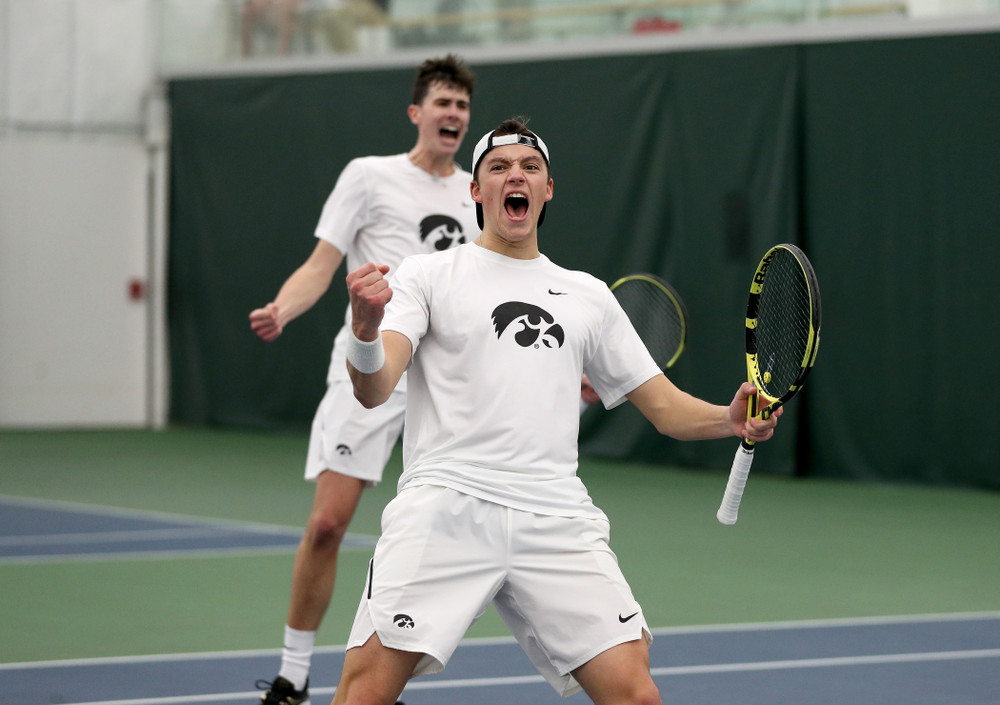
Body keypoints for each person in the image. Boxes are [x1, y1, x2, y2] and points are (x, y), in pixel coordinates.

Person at [335, 118, 782, 705]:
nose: (514, 176)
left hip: (554, 512)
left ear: (548, 189)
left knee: (636, 693)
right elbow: (374, 387)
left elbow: (666, 408)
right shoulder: (427, 275)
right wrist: (365, 331)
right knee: (366, 689)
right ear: (476, 190)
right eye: (498, 168)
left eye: (529, 168)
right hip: (447, 503)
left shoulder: (588, 295)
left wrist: (729, 418)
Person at [248, 54, 478, 705]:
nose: (452, 115)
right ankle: (293, 672)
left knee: (432, 537)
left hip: (448, 380)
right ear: (416, 112)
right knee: (327, 523)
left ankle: (382, 678)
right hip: (373, 363)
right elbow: (322, 264)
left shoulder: (477, 192)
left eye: (461, 106)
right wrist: (283, 309)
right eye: (442, 103)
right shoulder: (369, 177)